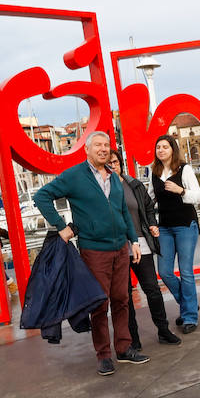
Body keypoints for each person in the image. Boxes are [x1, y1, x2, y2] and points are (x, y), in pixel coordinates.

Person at [32, 131, 149, 375]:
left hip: (120, 248)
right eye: (98, 145)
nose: (103, 149)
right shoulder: (75, 176)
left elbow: (123, 212)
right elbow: (41, 196)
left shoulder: (114, 177)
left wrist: (134, 240)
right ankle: (104, 355)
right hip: (94, 250)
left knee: (122, 300)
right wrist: (60, 226)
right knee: (99, 304)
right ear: (87, 149)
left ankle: (124, 349)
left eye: (106, 145)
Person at [109, 149, 181, 348]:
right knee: (124, 296)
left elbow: (148, 207)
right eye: (108, 164)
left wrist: (152, 224)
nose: (112, 166)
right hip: (118, 246)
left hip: (140, 242)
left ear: (120, 164)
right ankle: (133, 340)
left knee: (152, 289)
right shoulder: (102, 188)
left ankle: (163, 330)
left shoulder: (133, 184)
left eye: (115, 162)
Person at [151, 134, 200, 334]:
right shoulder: (154, 172)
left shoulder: (184, 169)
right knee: (164, 271)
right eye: (158, 147)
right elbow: (149, 199)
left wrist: (180, 191)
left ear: (173, 149)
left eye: (165, 146)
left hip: (185, 225)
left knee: (186, 271)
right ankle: (189, 304)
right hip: (164, 227)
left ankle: (190, 316)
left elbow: (199, 196)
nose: (161, 150)